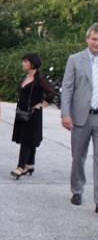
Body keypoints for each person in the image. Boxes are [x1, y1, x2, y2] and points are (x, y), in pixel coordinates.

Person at [61, 23, 98, 211]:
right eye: (94, 39)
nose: (97, 43)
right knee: (78, 156)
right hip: (80, 116)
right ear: (87, 39)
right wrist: (65, 113)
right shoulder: (75, 59)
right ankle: (77, 190)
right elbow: (67, 87)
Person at [11, 53, 55, 178]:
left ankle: (20, 167)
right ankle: (29, 164)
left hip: (33, 114)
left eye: (25, 61)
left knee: (27, 139)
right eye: (23, 61)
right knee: (29, 139)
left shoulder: (39, 78)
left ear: (33, 63)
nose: (23, 64)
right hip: (22, 112)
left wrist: (43, 103)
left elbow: (51, 92)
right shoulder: (26, 77)